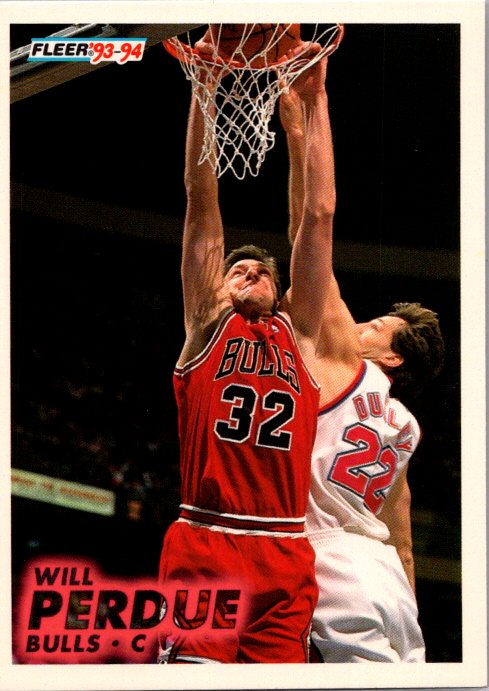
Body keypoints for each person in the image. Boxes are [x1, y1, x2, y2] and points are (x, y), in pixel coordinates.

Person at [157, 57, 335, 663]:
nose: (251, 271)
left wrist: (314, 104)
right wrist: (203, 87)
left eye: (263, 271)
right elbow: (199, 198)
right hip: (207, 538)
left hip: (284, 549)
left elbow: (318, 217)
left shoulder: (299, 333)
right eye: (238, 269)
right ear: (221, 287)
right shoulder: (209, 324)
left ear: (280, 292)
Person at [280, 76, 444, 663]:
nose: (360, 325)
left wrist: (300, 129)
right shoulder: (405, 428)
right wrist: (408, 611)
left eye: (375, 325)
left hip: (332, 562)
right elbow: (403, 542)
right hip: (389, 581)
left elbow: (310, 230)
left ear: (392, 357)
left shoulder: (344, 362)